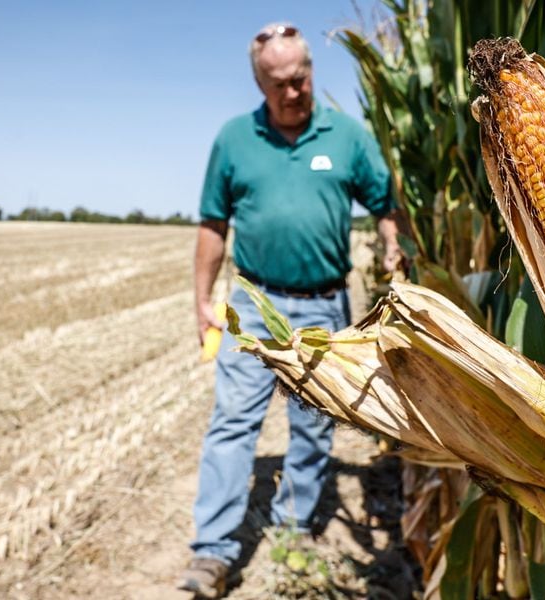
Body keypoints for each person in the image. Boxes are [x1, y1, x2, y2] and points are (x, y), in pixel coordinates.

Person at [178, 22, 401, 598]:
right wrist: (202, 298)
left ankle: (293, 531)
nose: (292, 92)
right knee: (232, 423)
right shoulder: (234, 139)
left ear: (311, 73)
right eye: (278, 83)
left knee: (314, 426)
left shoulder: (346, 136)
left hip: (325, 306)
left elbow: (384, 202)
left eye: (299, 79)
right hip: (252, 305)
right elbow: (212, 224)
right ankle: (213, 553)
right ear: (259, 83)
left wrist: (392, 241)